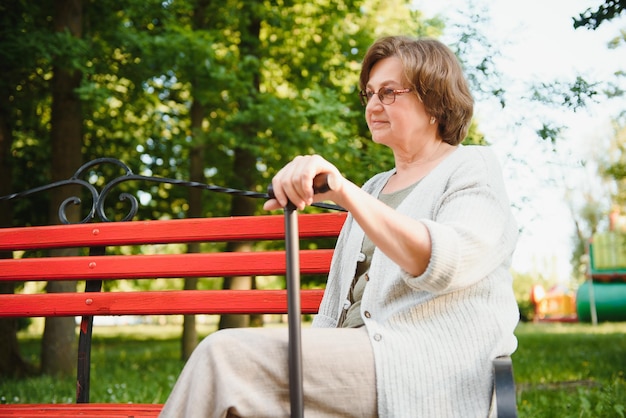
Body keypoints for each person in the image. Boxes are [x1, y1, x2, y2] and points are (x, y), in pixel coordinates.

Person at [160, 35, 519, 418]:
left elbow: (443, 261)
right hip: (358, 360)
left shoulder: (471, 167)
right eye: (369, 95)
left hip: (424, 367)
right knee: (238, 392)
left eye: (388, 93)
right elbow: (336, 305)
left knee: (224, 358)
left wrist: (344, 192)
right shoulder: (375, 188)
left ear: (434, 100)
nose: (373, 106)